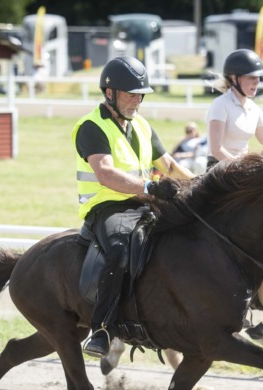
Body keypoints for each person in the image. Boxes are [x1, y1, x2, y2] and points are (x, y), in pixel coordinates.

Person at [72, 56, 194, 358]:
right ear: (109, 93)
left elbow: (168, 165)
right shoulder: (91, 126)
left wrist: (202, 186)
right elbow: (106, 173)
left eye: (141, 95)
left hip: (143, 203)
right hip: (107, 207)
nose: (137, 101)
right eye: (131, 94)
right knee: (119, 251)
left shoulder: (141, 124)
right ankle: (100, 328)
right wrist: (150, 187)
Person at [205, 49, 263, 169]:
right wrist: (242, 169)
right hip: (219, 170)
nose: (256, 82)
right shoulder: (220, 104)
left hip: (242, 171)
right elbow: (216, 150)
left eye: (258, 77)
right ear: (234, 78)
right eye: (251, 77)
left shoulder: (254, 109)